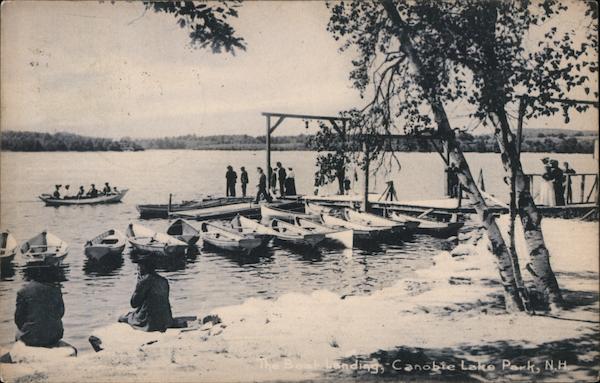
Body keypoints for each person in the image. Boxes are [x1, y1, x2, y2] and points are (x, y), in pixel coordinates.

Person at [118, 257, 173, 332]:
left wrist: (138, 284)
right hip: (166, 319)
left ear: (144, 267)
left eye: (139, 266)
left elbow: (134, 304)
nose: (138, 268)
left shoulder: (144, 281)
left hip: (149, 321)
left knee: (123, 317)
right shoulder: (164, 280)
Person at [15, 268, 65, 347]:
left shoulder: (23, 292)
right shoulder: (56, 290)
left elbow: (19, 319)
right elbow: (61, 313)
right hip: (54, 336)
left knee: (18, 333)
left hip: (32, 337)